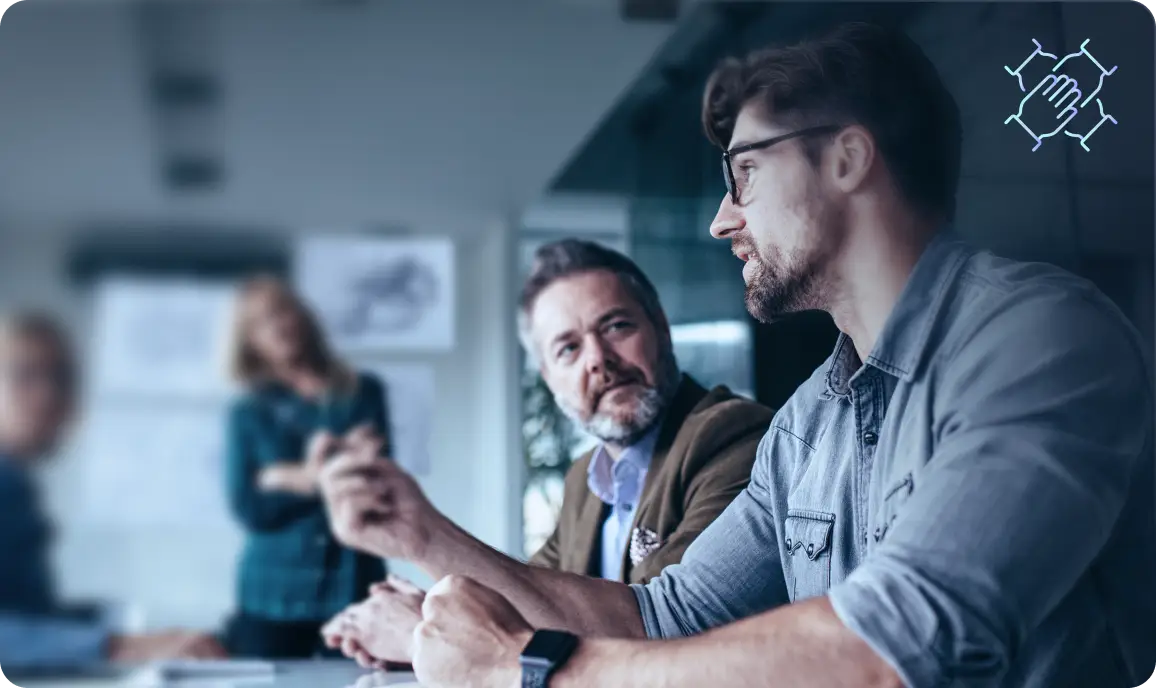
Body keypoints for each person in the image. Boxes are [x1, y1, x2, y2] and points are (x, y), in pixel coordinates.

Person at [320, 21, 1156, 688]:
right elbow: (662, 616)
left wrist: (526, 669)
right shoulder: (806, 427)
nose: (722, 219)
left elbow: (891, 655)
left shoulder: (1040, 340)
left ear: (847, 158)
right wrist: (418, 533)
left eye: (744, 174)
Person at [319, 240, 774, 667]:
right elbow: (530, 600)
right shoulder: (586, 479)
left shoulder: (734, 437)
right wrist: (433, 616)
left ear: (660, 326)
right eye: (568, 348)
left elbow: (658, 633)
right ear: (548, 376)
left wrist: (422, 616)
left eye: (616, 326)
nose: (597, 359)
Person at [0, 312, 226, 671]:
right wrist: (119, 645)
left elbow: (24, 610)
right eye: (24, 375)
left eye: (62, 378)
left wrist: (130, 625)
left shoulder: (16, 483)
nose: (48, 395)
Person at [221, 275, 391, 659]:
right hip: (272, 594)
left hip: (353, 584)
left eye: (282, 311)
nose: (278, 325)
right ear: (248, 341)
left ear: (302, 316)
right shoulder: (248, 412)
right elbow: (249, 507)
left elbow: (377, 486)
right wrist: (316, 478)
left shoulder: (363, 391)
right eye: (261, 322)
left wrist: (281, 477)